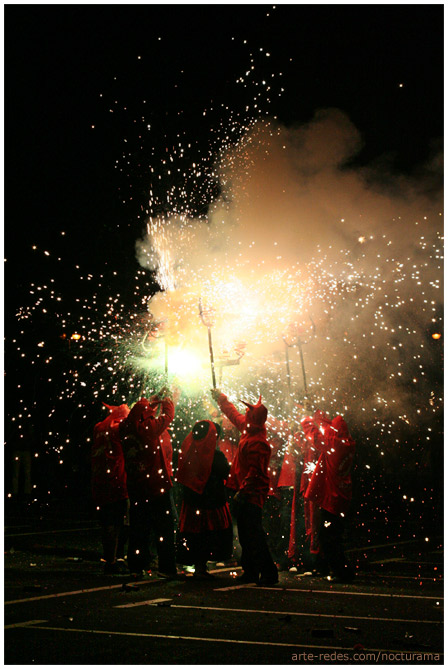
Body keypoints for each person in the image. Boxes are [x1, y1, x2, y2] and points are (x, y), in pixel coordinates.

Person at [211, 389, 278, 586]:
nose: (245, 413)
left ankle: (268, 573)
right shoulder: (249, 429)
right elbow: (232, 413)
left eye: (248, 412)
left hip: (252, 494)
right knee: (246, 534)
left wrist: (243, 492)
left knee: (253, 534)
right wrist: (221, 399)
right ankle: (250, 571)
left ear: (253, 417)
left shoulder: (258, 442)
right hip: (244, 491)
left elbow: (255, 473)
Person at [119, 388, 178, 578]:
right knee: (164, 529)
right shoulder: (148, 429)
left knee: (139, 528)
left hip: (136, 487)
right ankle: (167, 568)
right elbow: (168, 416)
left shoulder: (126, 427)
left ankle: (137, 566)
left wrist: (152, 402)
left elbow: (143, 415)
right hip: (156, 487)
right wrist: (168, 401)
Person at [300, 407, 356, 582]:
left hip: (331, 500)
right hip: (341, 497)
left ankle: (341, 572)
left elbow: (315, 436)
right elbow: (326, 430)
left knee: (329, 538)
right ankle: (341, 571)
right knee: (335, 537)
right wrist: (315, 413)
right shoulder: (345, 443)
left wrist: (306, 418)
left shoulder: (333, 445)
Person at [176, 420, 233, 578]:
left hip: (192, 503)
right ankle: (202, 567)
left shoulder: (189, 451)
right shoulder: (216, 456)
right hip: (211, 504)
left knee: (195, 535)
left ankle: (197, 565)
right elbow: (226, 474)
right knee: (208, 535)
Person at [92, 403, 130, 575]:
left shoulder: (99, 427)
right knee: (115, 523)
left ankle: (110, 558)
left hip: (99, 480)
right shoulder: (118, 428)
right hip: (116, 480)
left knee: (107, 521)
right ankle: (113, 560)